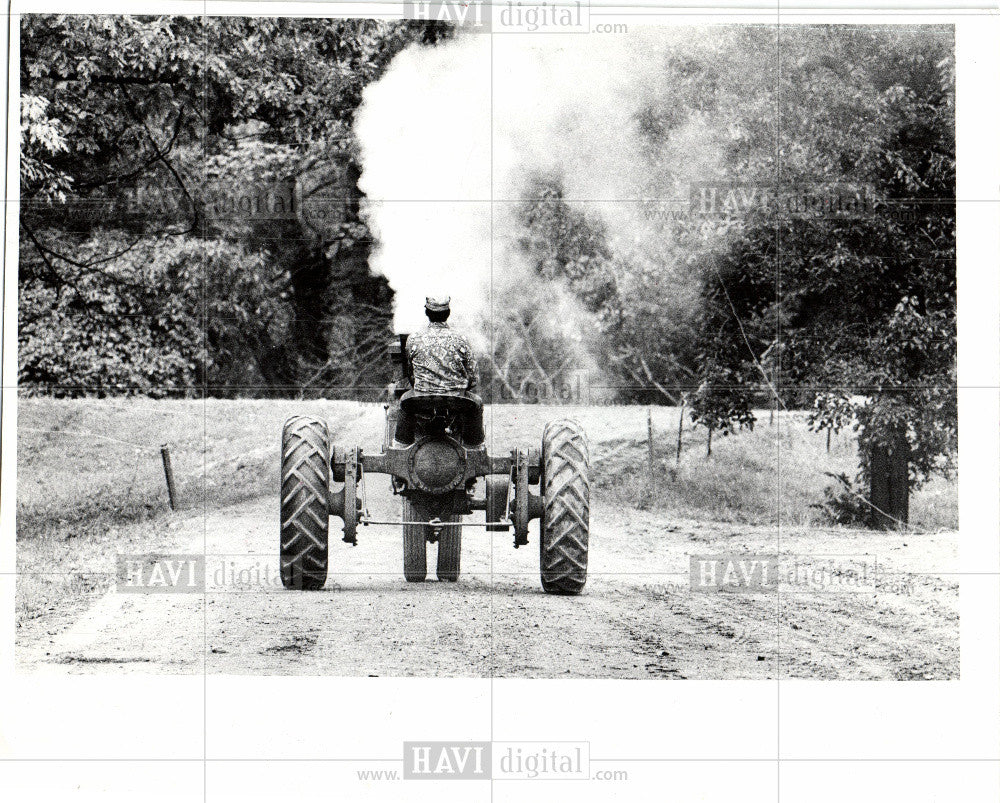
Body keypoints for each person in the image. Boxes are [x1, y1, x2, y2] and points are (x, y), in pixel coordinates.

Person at [394, 296, 485, 446]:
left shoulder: (413, 339)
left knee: (404, 400)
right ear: (448, 313)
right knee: (477, 403)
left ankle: (402, 445)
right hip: (457, 399)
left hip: (421, 399)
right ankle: (473, 446)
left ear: (427, 313)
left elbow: (411, 375)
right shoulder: (462, 339)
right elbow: (473, 379)